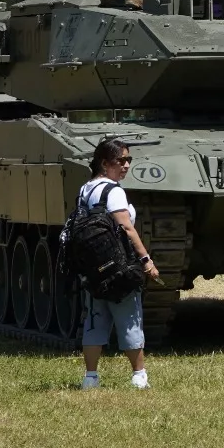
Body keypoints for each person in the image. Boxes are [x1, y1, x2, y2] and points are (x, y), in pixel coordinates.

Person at [77, 138, 160, 389]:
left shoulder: (86, 189)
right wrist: (146, 260)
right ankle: (139, 376)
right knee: (130, 318)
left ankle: (90, 377)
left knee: (94, 320)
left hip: (93, 268)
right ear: (105, 163)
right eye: (120, 160)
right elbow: (126, 227)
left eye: (128, 160)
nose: (126, 165)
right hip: (119, 267)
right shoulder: (114, 191)